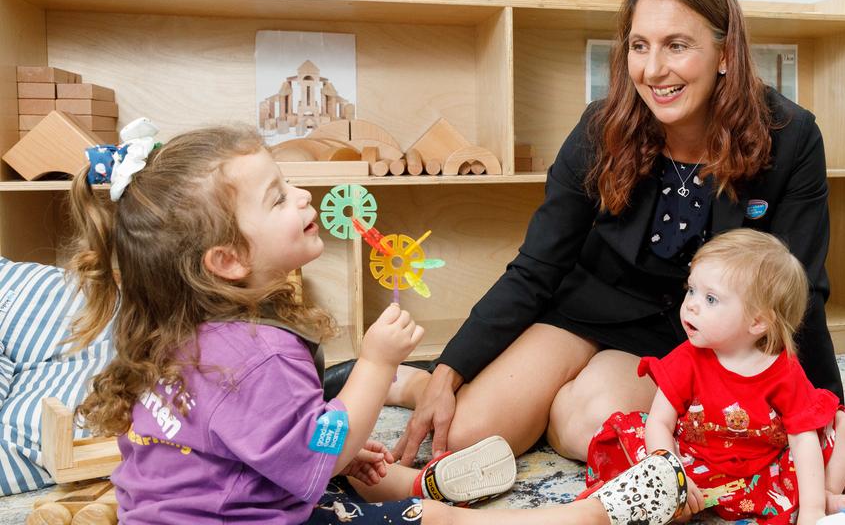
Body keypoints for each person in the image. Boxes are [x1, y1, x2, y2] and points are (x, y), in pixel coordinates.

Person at [378, 0, 845, 490]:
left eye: (676, 45)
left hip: (691, 335)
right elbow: (535, 267)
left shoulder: (792, 137)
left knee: (585, 421)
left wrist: (825, 419)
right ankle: (421, 381)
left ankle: (546, 396)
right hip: (587, 311)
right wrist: (449, 372)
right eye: (639, 46)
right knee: (465, 435)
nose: (653, 70)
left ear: (726, 53)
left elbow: (800, 292)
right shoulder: (601, 127)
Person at [68, 123, 517, 523]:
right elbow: (325, 449)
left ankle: (414, 482)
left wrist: (324, 453)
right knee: (427, 518)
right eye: (278, 197)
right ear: (229, 259)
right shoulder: (259, 356)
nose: (302, 196)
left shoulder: (179, 334)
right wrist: (377, 363)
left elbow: (244, 433)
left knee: (348, 473)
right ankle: (571, 518)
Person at [585, 229, 845, 524]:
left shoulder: (783, 370)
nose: (691, 304)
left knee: (841, 426)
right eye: (691, 290)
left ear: (758, 321)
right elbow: (659, 422)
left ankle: (825, 494)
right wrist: (672, 474)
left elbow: (802, 441)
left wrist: (811, 511)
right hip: (694, 464)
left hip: (764, 471)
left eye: (710, 299)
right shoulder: (687, 358)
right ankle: (677, 497)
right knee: (630, 436)